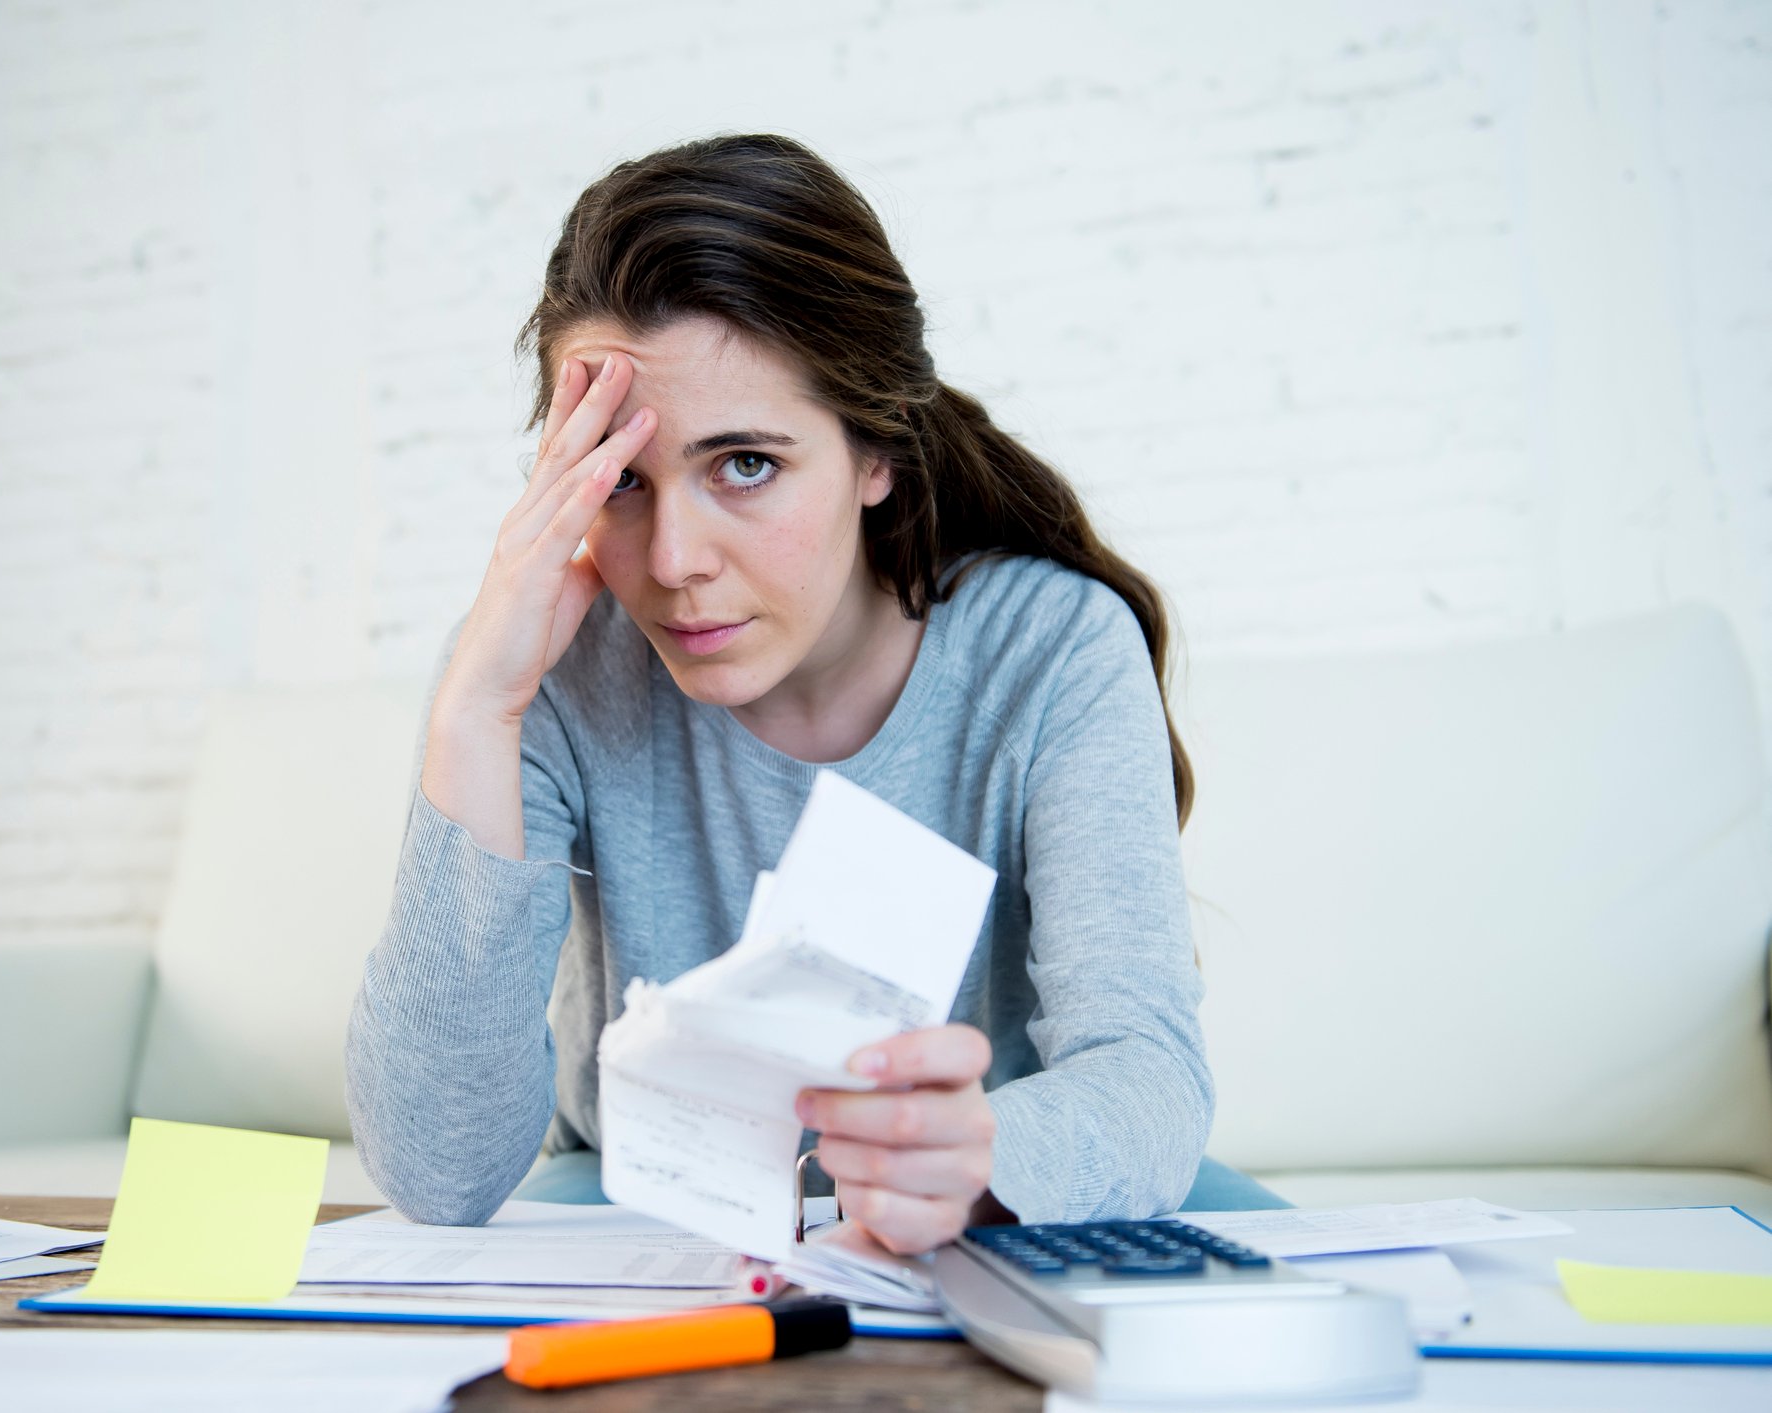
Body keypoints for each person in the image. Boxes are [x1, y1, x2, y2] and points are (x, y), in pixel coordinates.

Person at [347, 132, 1285, 1257]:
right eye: (623, 481)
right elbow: (436, 1175)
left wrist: (972, 1157)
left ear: (875, 454)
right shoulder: (538, 665)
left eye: (745, 464)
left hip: (991, 1207)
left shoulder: (1050, 648)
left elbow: (1143, 1078)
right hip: (642, 1198)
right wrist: (474, 711)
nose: (676, 558)